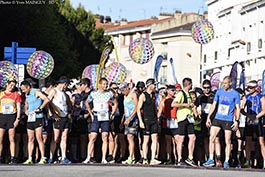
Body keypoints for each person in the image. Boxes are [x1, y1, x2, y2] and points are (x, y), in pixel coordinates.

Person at [203, 76, 240, 168]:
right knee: (212, 137)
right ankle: (211, 159)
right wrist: (209, 117)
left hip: (228, 119)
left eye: (226, 83)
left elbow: (238, 108)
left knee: (228, 140)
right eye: (223, 83)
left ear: (230, 83)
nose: (224, 85)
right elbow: (214, 105)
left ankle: (226, 161)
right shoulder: (219, 92)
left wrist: (237, 121)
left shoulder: (235, 94)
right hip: (217, 118)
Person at [83, 77, 118, 164]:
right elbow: (87, 102)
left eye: (106, 84)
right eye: (103, 84)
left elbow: (115, 102)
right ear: (100, 84)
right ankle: (88, 156)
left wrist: (112, 113)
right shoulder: (94, 93)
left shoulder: (109, 94)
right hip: (96, 116)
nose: (105, 86)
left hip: (105, 117)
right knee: (93, 136)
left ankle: (104, 158)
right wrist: (91, 114)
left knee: (105, 136)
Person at [20, 80, 50, 164]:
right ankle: (29, 158)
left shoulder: (36, 92)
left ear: (28, 87)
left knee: (39, 137)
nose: (23, 91)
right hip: (30, 118)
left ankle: (43, 157)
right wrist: (26, 110)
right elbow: (26, 103)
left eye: (23, 89)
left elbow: (46, 99)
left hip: (38, 117)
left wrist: (40, 108)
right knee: (30, 138)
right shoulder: (27, 94)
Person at [171, 78, 197, 167]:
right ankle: (179, 159)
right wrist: (185, 105)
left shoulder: (189, 94)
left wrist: (195, 113)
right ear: (189, 84)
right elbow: (173, 104)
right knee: (181, 139)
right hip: (182, 118)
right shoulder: (181, 94)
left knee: (192, 137)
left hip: (190, 118)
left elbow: (191, 106)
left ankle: (190, 157)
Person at [48, 76, 72, 164]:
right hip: (57, 117)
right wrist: (52, 114)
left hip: (65, 116)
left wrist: (69, 113)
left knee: (64, 137)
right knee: (55, 137)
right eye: (66, 84)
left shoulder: (64, 93)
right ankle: (51, 156)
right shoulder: (54, 91)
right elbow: (48, 102)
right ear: (64, 84)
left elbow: (68, 104)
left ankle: (63, 156)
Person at [241, 80, 265, 168]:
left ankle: (264, 161)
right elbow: (241, 109)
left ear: (255, 88)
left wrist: (255, 117)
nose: (249, 89)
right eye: (248, 88)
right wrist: (248, 115)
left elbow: (264, 110)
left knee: (261, 141)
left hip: (258, 120)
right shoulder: (246, 97)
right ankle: (247, 161)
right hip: (249, 121)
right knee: (248, 141)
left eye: (251, 88)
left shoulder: (261, 97)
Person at [137, 78, 161, 165]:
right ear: (150, 85)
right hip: (146, 119)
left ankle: (153, 158)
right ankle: (145, 158)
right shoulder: (143, 95)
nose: (155, 86)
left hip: (153, 119)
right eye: (154, 85)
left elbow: (154, 106)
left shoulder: (154, 95)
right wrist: (140, 121)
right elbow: (138, 109)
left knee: (155, 138)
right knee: (146, 140)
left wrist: (157, 116)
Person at [0, 80, 21, 164]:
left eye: (13, 86)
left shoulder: (16, 95)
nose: (12, 87)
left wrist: (17, 119)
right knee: (0, 138)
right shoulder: (1, 94)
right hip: (2, 116)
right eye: (11, 85)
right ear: (7, 84)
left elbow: (18, 108)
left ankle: (13, 157)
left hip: (11, 117)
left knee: (11, 138)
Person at [157, 85, 178, 165]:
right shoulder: (164, 100)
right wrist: (158, 120)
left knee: (176, 141)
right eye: (172, 90)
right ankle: (169, 158)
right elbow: (160, 111)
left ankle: (177, 158)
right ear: (168, 91)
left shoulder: (176, 100)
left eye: (174, 90)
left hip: (175, 121)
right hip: (167, 121)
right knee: (168, 141)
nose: (174, 92)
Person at [120, 82, 138, 164]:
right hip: (127, 118)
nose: (122, 91)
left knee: (130, 137)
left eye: (123, 89)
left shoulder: (133, 94)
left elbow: (136, 107)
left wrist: (130, 118)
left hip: (133, 119)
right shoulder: (125, 96)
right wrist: (123, 120)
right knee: (128, 138)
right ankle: (132, 156)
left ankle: (131, 157)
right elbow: (125, 109)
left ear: (127, 88)